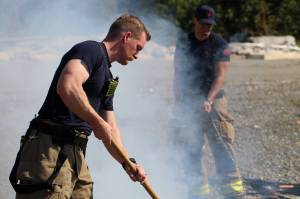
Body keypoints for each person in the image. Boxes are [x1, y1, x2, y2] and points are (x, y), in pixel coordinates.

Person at [9, 14, 151, 199]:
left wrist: (128, 163)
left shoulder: (108, 78)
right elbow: (67, 86)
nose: (137, 55)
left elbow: (111, 129)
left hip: (76, 155)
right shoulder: (91, 50)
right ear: (127, 36)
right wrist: (96, 121)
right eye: (138, 48)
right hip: (50, 148)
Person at [172, 5, 245, 199]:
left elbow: (221, 76)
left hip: (214, 99)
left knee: (222, 142)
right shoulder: (185, 41)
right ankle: (198, 192)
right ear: (195, 20)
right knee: (192, 145)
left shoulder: (219, 44)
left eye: (210, 25)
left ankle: (234, 192)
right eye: (203, 24)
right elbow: (178, 72)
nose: (207, 28)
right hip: (190, 99)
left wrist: (208, 100)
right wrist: (178, 101)